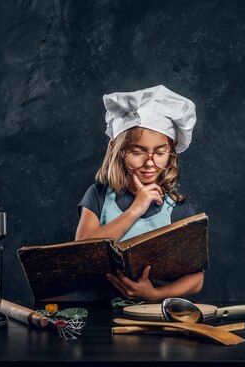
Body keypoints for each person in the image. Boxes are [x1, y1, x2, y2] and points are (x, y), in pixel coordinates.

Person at [76, 85, 203, 303]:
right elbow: (82, 251)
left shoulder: (179, 209)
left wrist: (155, 295)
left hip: (155, 315)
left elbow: (196, 279)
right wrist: (136, 209)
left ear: (171, 152)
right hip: (101, 312)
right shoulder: (97, 195)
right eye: (137, 152)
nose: (150, 163)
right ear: (116, 148)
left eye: (160, 152)